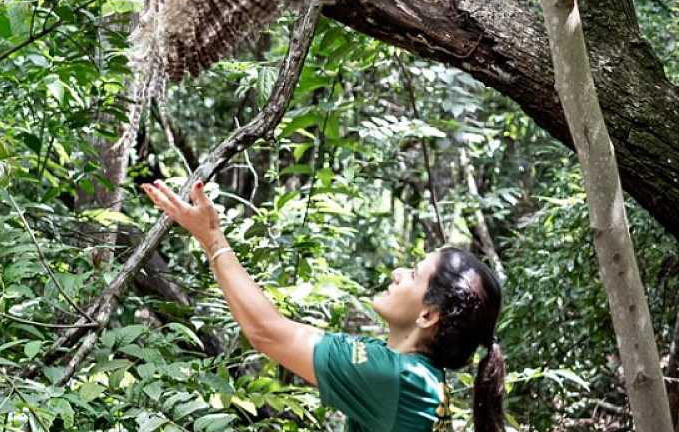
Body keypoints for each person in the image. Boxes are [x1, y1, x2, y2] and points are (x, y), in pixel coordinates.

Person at [142, 179, 505, 432]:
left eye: (413, 274)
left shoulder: (395, 378)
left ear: (428, 315)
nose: (397, 273)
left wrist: (212, 239)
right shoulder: (414, 376)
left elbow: (267, 332)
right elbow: (285, 331)